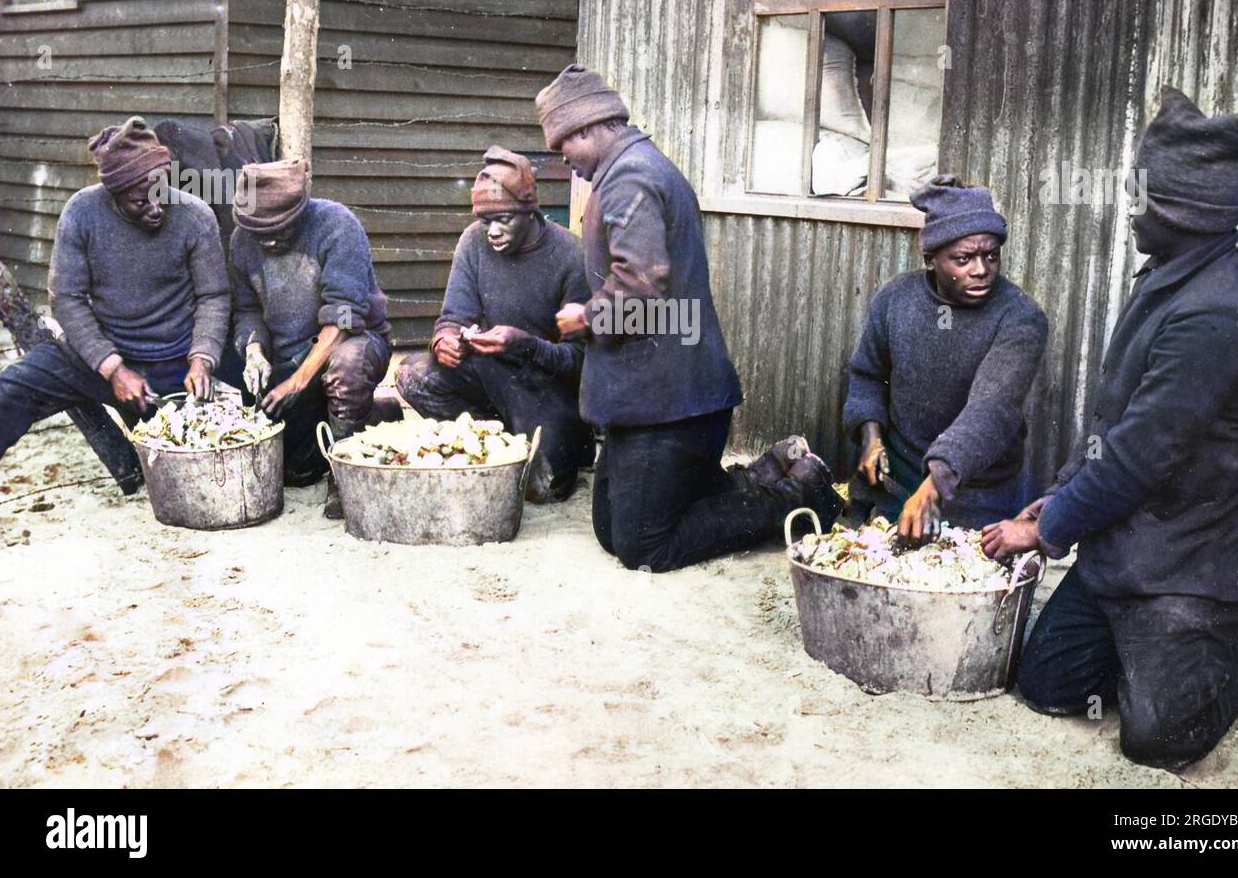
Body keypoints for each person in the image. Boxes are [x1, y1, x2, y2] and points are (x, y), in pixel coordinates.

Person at [982, 87, 1238, 771]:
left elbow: (1137, 459)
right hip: (1136, 535)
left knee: (1156, 741)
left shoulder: (1216, 313)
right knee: (1047, 686)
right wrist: (1061, 492)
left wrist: (1046, 527)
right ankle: (1164, 638)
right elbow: (1116, 419)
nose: (1130, 212)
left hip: (1195, 548)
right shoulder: (1169, 277)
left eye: (1142, 199)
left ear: (1182, 213)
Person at [537, 64, 842, 573]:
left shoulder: (630, 178)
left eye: (562, 144)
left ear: (589, 127)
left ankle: (796, 496)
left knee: (643, 548)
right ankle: (766, 473)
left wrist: (586, 317)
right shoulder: (631, 168)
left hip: (673, 403)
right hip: (650, 395)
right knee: (612, 532)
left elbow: (641, 286)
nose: (562, 158)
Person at [0, 117, 232, 464]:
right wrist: (112, 368)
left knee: (198, 438)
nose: (156, 209)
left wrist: (202, 358)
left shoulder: (196, 216)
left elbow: (214, 295)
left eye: (161, 195)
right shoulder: (82, 212)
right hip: (101, 353)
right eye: (140, 202)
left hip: (174, 357)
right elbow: (66, 297)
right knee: (10, 389)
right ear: (114, 194)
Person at [843, 177, 1048, 538]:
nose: (981, 269)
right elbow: (867, 375)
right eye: (963, 259)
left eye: (990, 255)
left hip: (974, 494)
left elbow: (991, 409)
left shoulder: (1020, 317)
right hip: (898, 484)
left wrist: (935, 484)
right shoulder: (895, 299)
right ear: (930, 259)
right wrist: (870, 436)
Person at [396, 146, 593, 502]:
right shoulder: (473, 241)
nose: (493, 231)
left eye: (504, 219)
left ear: (529, 211)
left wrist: (526, 344)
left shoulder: (570, 255)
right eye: (486, 221)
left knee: (543, 489)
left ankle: (553, 442)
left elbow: (579, 360)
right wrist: (445, 340)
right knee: (414, 377)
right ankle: (495, 438)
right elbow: (453, 316)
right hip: (490, 373)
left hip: (546, 386)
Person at [228, 158, 394, 519]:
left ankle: (345, 475)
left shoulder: (337, 225)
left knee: (346, 366)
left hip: (352, 342)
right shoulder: (242, 241)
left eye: (278, 229)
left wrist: (297, 382)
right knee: (297, 473)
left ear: (299, 210)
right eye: (259, 231)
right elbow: (245, 308)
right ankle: (375, 417)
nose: (268, 239)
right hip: (289, 357)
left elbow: (345, 316)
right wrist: (255, 350)